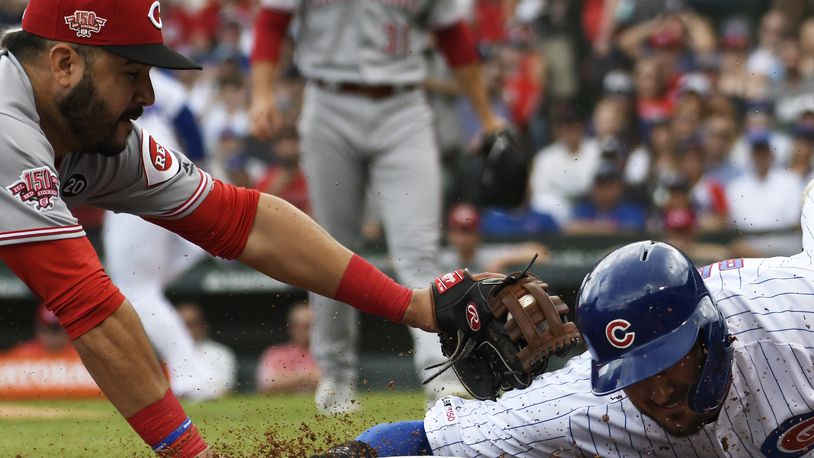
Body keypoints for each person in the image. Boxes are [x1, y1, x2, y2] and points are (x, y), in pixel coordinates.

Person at [0, 1, 448, 455]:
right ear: (63, 64)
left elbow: (246, 223)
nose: (148, 96)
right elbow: (88, 306)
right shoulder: (8, 126)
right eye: (132, 73)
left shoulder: (93, 134)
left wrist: (411, 305)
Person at [316, 191, 814, 457]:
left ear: (708, 336)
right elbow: (435, 440)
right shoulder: (593, 403)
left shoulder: (797, 323)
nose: (657, 390)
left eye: (666, 362)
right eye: (633, 372)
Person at [249, 0, 507, 414]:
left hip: (403, 106)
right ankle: (335, 375)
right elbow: (272, 20)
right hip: (328, 102)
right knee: (327, 248)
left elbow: (454, 36)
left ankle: (441, 370)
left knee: (419, 248)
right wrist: (261, 93)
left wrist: (486, 117)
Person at [102, 68, 218, 400]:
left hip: (138, 183)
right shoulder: (154, 81)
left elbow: (188, 122)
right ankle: (194, 372)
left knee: (136, 291)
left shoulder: (117, 74)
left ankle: (194, 375)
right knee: (143, 290)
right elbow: (188, 126)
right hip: (171, 179)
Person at [255, 301, 320, 394]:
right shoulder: (275, 353)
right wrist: (305, 376)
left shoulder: (328, 353)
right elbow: (266, 384)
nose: (311, 331)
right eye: (306, 326)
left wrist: (290, 378)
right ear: (292, 328)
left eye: (314, 326)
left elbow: (336, 381)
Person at [177, 302, 237, 397]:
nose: (185, 330)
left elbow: (225, 389)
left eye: (191, 324)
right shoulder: (165, 355)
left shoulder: (221, 353)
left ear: (201, 326)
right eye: (181, 325)